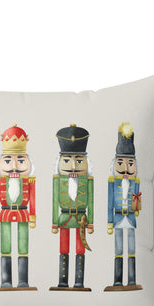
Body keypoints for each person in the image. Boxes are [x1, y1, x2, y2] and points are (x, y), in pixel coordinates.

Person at [0, 125, 37, 291]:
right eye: (7, 161)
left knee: (23, 248)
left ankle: (23, 280)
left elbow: (33, 199)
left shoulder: (29, 181)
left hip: (23, 213)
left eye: (21, 161)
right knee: (5, 247)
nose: (14, 166)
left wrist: (33, 216)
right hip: (5, 213)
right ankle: (6, 280)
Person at [50, 124, 94, 291]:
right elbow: (55, 202)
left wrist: (91, 222)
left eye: (79, 161)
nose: (73, 166)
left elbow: (91, 202)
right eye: (67, 160)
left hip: (81, 218)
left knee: (80, 249)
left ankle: (79, 281)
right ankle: (62, 281)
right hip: (64, 218)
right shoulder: (58, 180)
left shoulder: (87, 181)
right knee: (63, 249)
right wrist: (55, 222)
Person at [105, 122, 143, 291]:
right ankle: (118, 280)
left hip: (131, 217)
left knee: (132, 249)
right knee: (119, 249)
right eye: (120, 163)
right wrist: (109, 221)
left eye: (130, 164)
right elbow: (109, 203)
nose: (126, 169)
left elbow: (138, 198)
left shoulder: (135, 182)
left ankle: (132, 279)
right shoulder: (112, 183)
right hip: (118, 216)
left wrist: (137, 206)